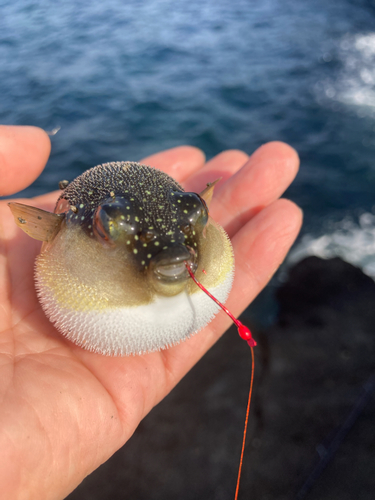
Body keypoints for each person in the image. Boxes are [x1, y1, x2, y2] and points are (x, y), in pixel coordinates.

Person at [0, 125, 302, 499]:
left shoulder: (195, 247)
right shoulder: (66, 229)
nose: (175, 252)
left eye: (195, 214)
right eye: (109, 228)